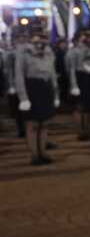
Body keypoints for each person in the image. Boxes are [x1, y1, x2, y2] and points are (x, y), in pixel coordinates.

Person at [15, 29, 59, 165]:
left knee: (45, 123)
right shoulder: (23, 52)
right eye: (36, 36)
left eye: (43, 37)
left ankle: (43, 153)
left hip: (46, 88)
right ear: (31, 38)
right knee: (32, 124)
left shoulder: (49, 52)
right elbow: (19, 75)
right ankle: (34, 155)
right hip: (32, 88)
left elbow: (52, 73)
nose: (40, 39)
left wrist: (56, 94)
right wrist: (23, 97)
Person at [65, 29, 90, 140]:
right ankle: (80, 131)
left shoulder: (89, 50)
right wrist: (74, 85)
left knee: (87, 107)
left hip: (88, 77)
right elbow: (70, 69)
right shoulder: (72, 52)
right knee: (78, 107)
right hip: (78, 77)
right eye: (83, 37)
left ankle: (87, 130)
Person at [4, 30, 28, 138]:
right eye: (20, 37)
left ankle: (31, 130)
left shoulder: (30, 51)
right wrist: (11, 85)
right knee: (19, 109)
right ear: (15, 40)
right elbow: (9, 70)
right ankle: (21, 130)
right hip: (16, 82)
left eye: (24, 37)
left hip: (30, 82)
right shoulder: (11, 53)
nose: (23, 39)